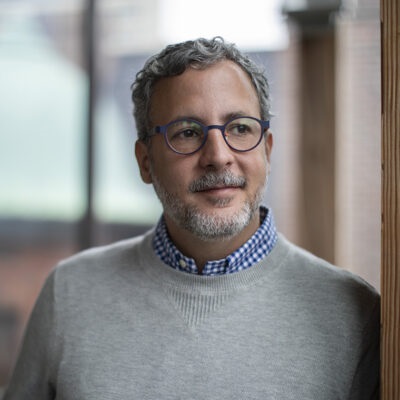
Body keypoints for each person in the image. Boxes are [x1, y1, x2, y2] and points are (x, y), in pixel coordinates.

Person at [3, 37, 379, 399]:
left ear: (266, 149)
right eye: (187, 133)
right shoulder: (69, 292)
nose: (218, 155)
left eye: (240, 128)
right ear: (145, 161)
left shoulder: (354, 312)